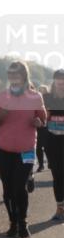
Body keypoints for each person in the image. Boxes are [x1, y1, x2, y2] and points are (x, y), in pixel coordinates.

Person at [0, 61, 48, 238]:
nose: (14, 77)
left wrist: (38, 122)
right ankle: (13, 222)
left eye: (18, 73)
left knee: (19, 188)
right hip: (4, 149)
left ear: (24, 75)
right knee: (8, 189)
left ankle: (23, 222)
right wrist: (1, 116)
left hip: (26, 149)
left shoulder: (35, 97)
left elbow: (42, 119)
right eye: (11, 73)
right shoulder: (1, 97)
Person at [43, 70, 64, 221]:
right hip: (52, 143)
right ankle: (60, 209)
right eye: (59, 80)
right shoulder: (46, 98)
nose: (61, 83)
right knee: (57, 176)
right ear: (54, 81)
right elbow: (40, 116)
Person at [36, 84, 51, 172]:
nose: (42, 91)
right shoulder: (36, 99)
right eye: (40, 89)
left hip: (46, 125)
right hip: (38, 126)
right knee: (38, 147)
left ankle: (49, 162)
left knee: (46, 146)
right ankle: (41, 164)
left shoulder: (49, 99)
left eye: (43, 89)